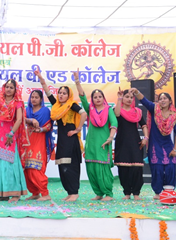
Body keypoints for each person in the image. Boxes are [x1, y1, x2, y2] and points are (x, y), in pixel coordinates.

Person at [0, 52, 29, 201]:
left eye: (11, 87)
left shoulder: (17, 103)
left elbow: (19, 119)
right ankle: (2, 194)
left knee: (10, 164)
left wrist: (11, 133)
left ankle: (15, 193)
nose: (8, 89)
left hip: (8, 135)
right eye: (7, 87)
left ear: (15, 90)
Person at [37, 70, 86, 201]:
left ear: (68, 95)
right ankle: (70, 192)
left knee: (71, 166)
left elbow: (84, 114)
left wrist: (77, 129)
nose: (61, 95)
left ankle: (74, 192)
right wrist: (41, 78)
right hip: (62, 140)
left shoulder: (71, 105)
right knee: (62, 166)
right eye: (60, 93)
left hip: (71, 140)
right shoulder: (57, 106)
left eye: (64, 93)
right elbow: (47, 92)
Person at [131, 88, 176, 200]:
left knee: (170, 168)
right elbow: (144, 100)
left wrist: (175, 149)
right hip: (155, 146)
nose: (162, 100)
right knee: (157, 169)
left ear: (170, 101)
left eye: (165, 98)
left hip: (168, 146)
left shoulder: (174, 116)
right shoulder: (154, 109)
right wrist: (136, 91)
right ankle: (158, 192)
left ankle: (169, 191)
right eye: (160, 99)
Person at [74, 70, 118, 201]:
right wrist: (77, 81)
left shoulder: (108, 110)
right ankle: (98, 193)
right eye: (95, 97)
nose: (97, 99)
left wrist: (110, 138)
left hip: (103, 142)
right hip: (91, 142)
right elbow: (82, 97)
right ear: (92, 99)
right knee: (91, 167)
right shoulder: (90, 110)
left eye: (100, 96)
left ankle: (108, 193)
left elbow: (114, 123)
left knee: (102, 167)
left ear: (103, 98)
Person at [114, 88, 149, 200]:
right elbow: (117, 114)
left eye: (131, 97)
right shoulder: (117, 109)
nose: (129, 99)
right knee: (123, 169)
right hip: (122, 142)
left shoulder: (137, 112)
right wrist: (119, 99)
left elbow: (144, 125)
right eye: (127, 97)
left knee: (136, 168)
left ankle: (136, 193)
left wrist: (146, 138)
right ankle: (127, 193)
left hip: (135, 142)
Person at [22, 89, 54, 201]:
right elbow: (21, 120)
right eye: (32, 97)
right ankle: (35, 193)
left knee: (35, 167)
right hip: (28, 140)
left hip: (40, 140)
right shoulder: (27, 110)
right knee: (26, 168)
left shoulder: (45, 111)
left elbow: (49, 126)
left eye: (36, 97)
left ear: (41, 99)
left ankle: (45, 194)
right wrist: (30, 120)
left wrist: (40, 129)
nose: (34, 99)